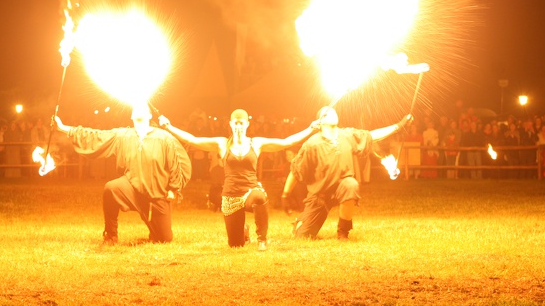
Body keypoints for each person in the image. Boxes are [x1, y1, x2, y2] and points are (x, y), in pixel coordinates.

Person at [158, 109, 318, 251]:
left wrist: (310, 128)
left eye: (242, 123)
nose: (239, 126)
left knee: (259, 197)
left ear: (248, 124)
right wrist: (169, 127)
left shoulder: (256, 143)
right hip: (230, 196)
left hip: (250, 192)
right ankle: (244, 231)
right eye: (236, 123)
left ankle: (262, 239)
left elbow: (287, 142)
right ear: (230, 124)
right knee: (235, 245)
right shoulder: (222, 143)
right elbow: (193, 140)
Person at [54, 103, 191, 245]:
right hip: (131, 188)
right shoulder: (122, 135)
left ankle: (155, 232)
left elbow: (179, 161)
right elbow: (96, 136)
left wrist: (174, 189)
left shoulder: (164, 138)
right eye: (136, 108)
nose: (139, 108)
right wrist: (63, 128)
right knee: (111, 188)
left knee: (164, 239)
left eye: (143, 108)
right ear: (131, 116)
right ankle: (110, 235)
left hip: (157, 194)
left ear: (150, 116)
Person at [283, 107, 412, 240]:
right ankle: (300, 223)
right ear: (320, 122)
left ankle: (343, 232)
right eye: (327, 112)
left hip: (342, 187)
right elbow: (296, 170)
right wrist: (285, 195)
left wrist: (398, 126)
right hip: (319, 196)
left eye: (333, 110)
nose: (332, 112)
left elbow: (372, 135)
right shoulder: (312, 144)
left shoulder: (346, 135)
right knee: (302, 236)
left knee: (351, 184)